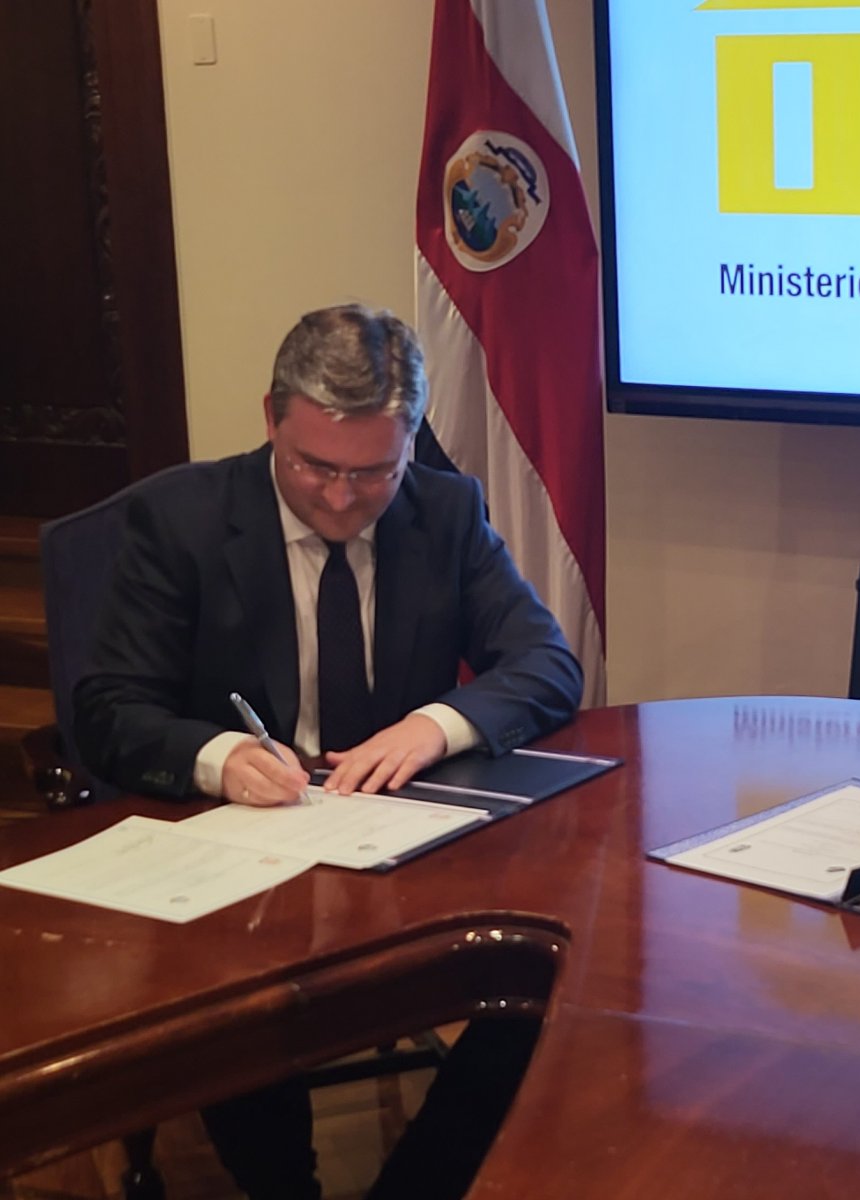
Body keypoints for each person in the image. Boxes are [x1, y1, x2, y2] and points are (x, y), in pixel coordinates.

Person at [74, 303, 585, 1200]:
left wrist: (434, 724)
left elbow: (546, 662)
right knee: (243, 1004)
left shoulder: (445, 510)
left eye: (375, 471)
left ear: (410, 441)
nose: (343, 498)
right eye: (316, 467)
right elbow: (107, 709)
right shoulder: (182, 520)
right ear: (271, 419)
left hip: (402, 854)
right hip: (243, 862)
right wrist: (217, 754)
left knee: (544, 980)